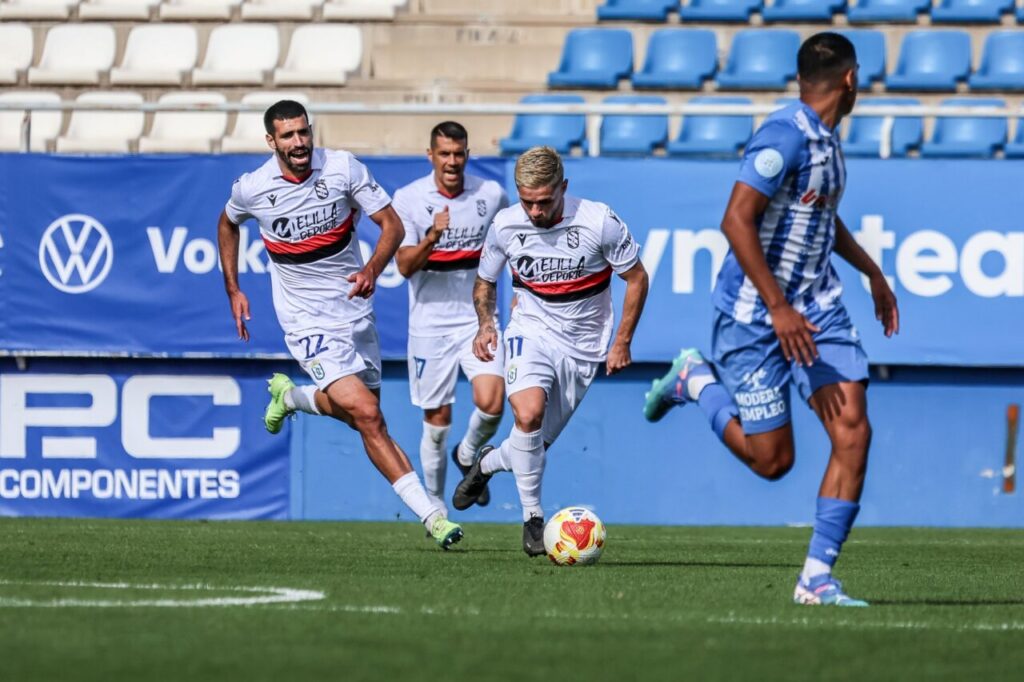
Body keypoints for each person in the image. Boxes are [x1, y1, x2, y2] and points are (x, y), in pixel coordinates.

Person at [643, 33, 899, 605]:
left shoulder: (828, 141)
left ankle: (815, 578)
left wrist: (871, 271)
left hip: (818, 308)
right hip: (755, 316)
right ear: (851, 80)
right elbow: (736, 220)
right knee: (772, 461)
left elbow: (821, 223)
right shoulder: (783, 136)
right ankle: (695, 381)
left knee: (853, 430)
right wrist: (778, 307)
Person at [216, 99, 463, 549]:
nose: (298, 142)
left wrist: (371, 269)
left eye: (303, 132)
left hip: (352, 308)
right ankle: (432, 516)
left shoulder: (343, 168)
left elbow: (391, 226)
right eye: (287, 136)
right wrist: (233, 287)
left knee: (360, 416)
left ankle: (292, 397)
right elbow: (228, 223)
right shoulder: (253, 188)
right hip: (304, 317)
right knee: (369, 416)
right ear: (271, 141)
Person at [452, 146, 649, 556]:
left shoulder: (599, 222)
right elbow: (485, 281)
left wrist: (622, 341)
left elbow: (637, 278)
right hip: (531, 329)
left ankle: (487, 463)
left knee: (533, 446)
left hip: (583, 346)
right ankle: (532, 519)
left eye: (544, 201)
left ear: (564, 187)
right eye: (527, 202)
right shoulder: (506, 225)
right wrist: (486, 325)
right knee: (527, 415)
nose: (536, 212)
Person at [393, 121, 509, 512]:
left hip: (477, 318)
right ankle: (437, 504)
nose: (452, 161)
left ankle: (469, 453)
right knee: (437, 423)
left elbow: (514, 243)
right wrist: (431, 237)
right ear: (431, 156)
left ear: (467, 155)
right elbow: (405, 266)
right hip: (429, 324)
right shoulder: (409, 199)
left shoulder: (491, 195)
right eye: (444, 154)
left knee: (493, 402)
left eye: (459, 154)